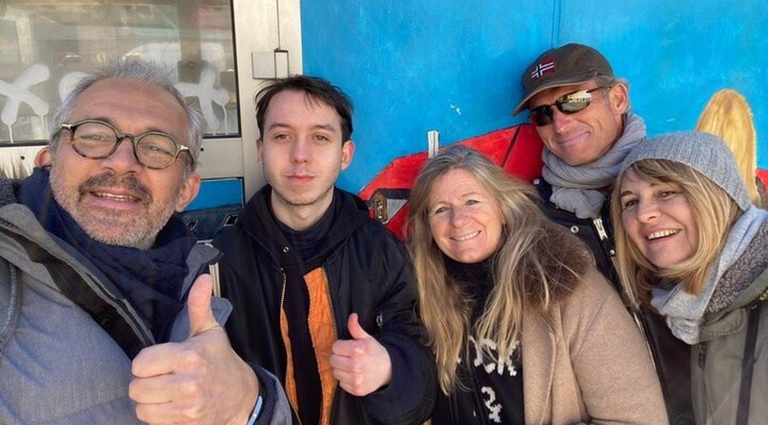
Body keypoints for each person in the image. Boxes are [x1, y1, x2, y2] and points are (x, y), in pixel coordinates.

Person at [0, 61, 289, 425]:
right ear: (48, 161)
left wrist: (250, 402)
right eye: (93, 136)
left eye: (155, 146)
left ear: (186, 190)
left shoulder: (192, 281)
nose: (121, 163)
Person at [214, 75, 437, 425]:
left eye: (320, 137)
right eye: (282, 136)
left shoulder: (383, 254)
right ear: (261, 151)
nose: (300, 155)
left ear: (344, 154)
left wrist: (390, 369)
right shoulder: (220, 262)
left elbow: (424, 368)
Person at [406, 145, 666, 424]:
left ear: (502, 207)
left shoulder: (564, 285)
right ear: (428, 226)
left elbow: (638, 417)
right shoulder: (422, 299)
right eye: (441, 209)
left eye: (472, 201)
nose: (458, 220)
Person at [513, 43, 693, 423]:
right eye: (543, 114)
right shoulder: (531, 223)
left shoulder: (687, 190)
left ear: (618, 97)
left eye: (574, 101)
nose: (559, 124)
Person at [612, 131, 768, 425]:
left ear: (715, 196)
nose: (644, 214)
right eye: (630, 202)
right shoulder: (696, 306)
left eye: (666, 193)